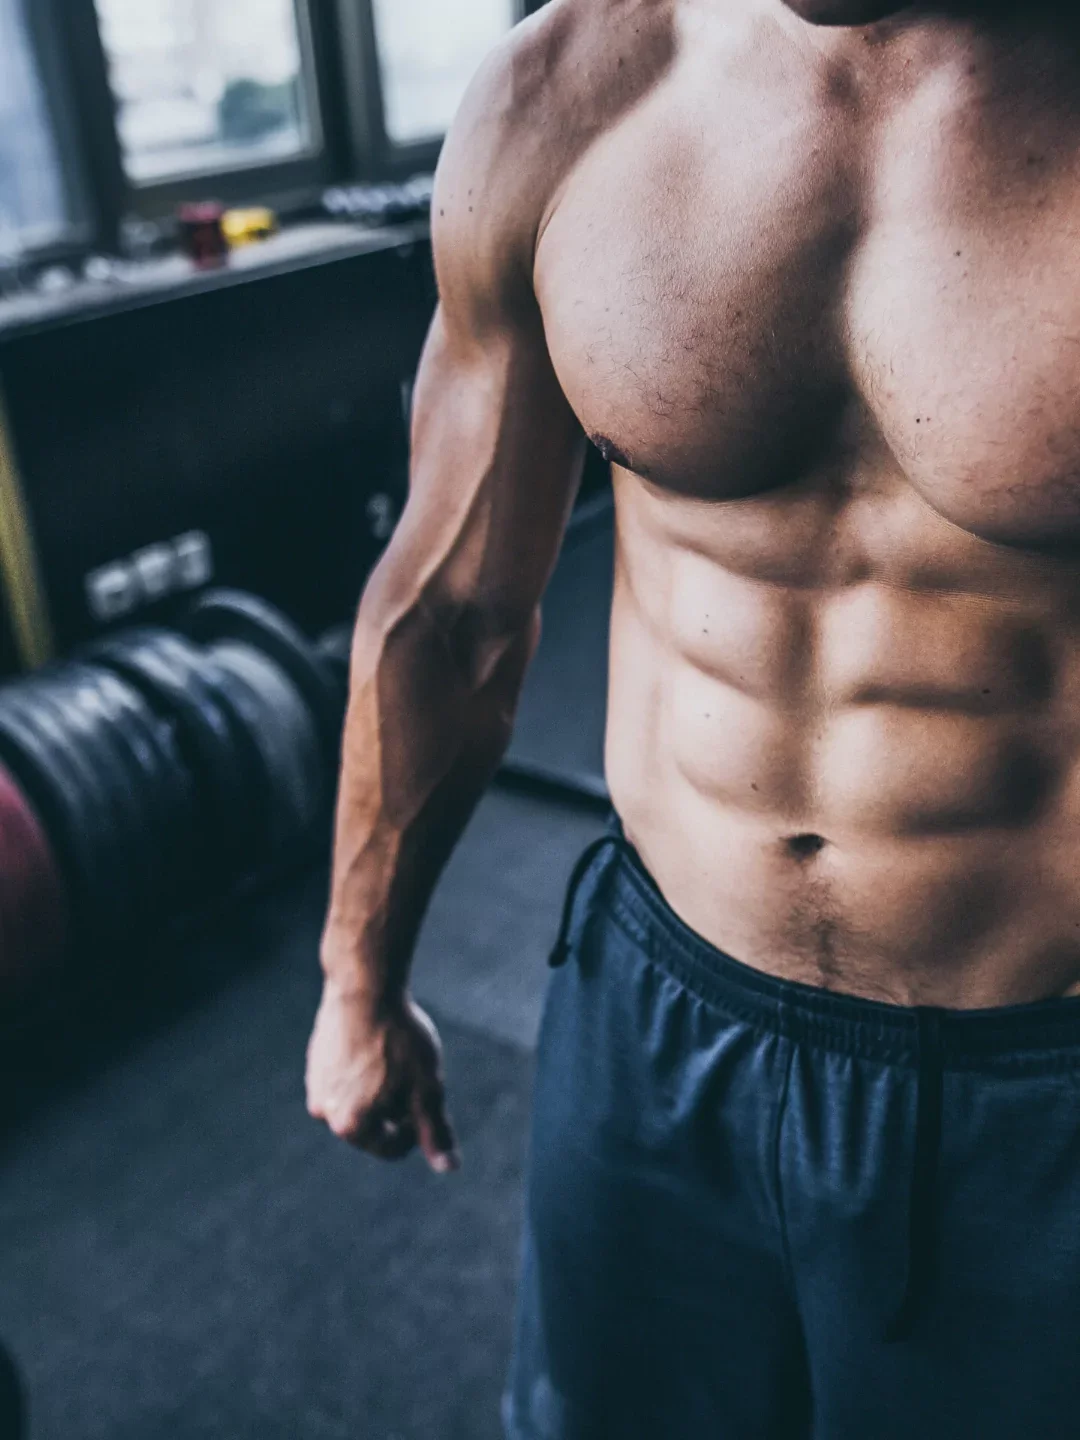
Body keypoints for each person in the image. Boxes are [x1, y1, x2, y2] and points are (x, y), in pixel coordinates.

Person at [306, 0, 1080, 1433]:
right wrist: (361, 978)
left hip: (1033, 1091)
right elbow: (453, 612)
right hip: (656, 1023)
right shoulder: (569, 94)